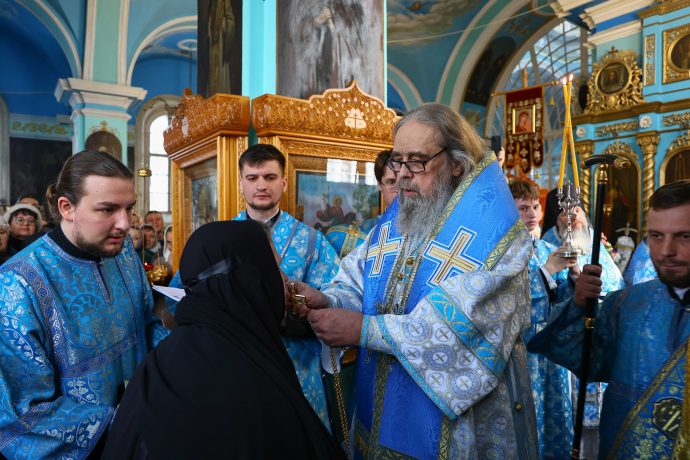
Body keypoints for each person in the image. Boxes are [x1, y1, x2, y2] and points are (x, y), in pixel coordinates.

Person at [292, 103, 538, 458]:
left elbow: (460, 330)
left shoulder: (496, 238)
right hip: (380, 411)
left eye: (418, 161)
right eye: (398, 160)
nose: (404, 174)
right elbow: (359, 280)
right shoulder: (400, 219)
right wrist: (330, 300)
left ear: (456, 163)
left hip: (456, 429)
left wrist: (363, 330)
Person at [102, 221, 344, 459]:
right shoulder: (254, 393)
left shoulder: (159, 363)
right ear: (248, 279)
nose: (286, 282)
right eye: (274, 270)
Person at [0, 150, 167, 458]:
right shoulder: (17, 284)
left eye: (129, 208)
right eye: (107, 209)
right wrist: (120, 424)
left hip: (148, 426)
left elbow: (146, 324)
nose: (124, 223)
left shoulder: (124, 253)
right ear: (67, 207)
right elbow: (23, 412)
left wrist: (189, 357)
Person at [167, 143, 340, 428]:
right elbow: (181, 296)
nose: (261, 185)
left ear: (284, 182)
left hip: (295, 363)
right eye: (252, 178)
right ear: (241, 183)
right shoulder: (216, 240)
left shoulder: (312, 242)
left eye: (270, 177)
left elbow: (331, 301)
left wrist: (293, 313)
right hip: (231, 362)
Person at [527, 179, 690, 459]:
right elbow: (583, 358)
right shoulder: (629, 304)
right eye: (656, 236)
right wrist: (579, 304)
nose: (666, 251)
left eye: (684, 236)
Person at [510, 179, 578, 458]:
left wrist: (574, 278)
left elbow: (559, 301)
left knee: (553, 420)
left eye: (536, 207)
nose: (532, 214)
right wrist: (548, 271)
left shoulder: (543, 246)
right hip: (523, 352)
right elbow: (512, 303)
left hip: (550, 352)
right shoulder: (503, 252)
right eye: (523, 208)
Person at [326, 149, 397, 258]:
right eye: (391, 182)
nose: (400, 189)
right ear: (380, 185)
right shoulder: (361, 235)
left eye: (404, 181)